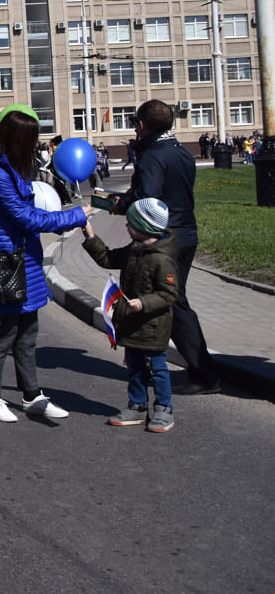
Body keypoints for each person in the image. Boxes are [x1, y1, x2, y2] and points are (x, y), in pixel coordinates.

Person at [0, 110, 88, 424]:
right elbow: (28, 218)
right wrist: (75, 216)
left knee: (27, 333)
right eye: (32, 139)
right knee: (3, 333)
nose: (38, 145)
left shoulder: (15, 169)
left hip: (23, 261)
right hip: (5, 263)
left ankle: (32, 395)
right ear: (18, 140)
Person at [114, 99, 220, 394]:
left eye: (136, 122)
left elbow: (148, 200)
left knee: (170, 302)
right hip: (186, 232)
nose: (134, 128)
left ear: (143, 125)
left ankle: (205, 373)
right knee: (173, 300)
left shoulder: (153, 157)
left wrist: (122, 204)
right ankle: (171, 366)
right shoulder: (182, 152)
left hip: (164, 239)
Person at [83, 199, 179, 432]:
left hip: (153, 324)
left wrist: (143, 303)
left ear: (145, 227)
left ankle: (164, 408)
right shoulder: (134, 248)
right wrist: (90, 235)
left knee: (157, 368)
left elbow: (169, 294)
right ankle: (137, 405)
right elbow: (107, 259)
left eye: (131, 224)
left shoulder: (162, 258)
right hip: (132, 322)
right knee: (134, 366)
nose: (126, 226)